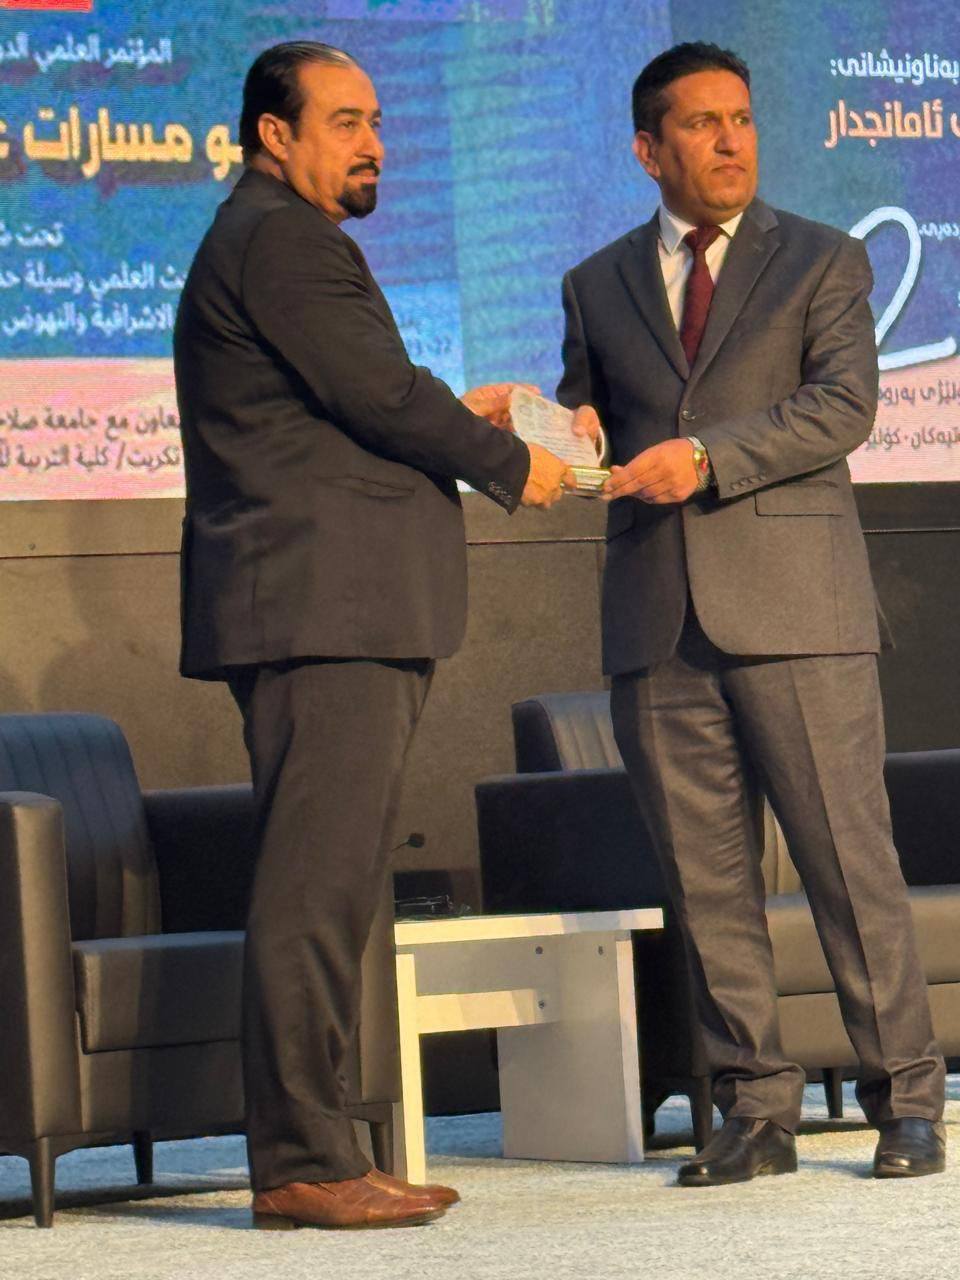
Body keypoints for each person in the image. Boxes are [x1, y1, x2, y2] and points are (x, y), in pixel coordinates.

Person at [174, 40, 571, 1230]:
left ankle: (325, 1145)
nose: (375, 145)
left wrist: (460, 409)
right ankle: (301, 1158)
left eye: (379, 121)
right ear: (274, 134)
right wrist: (513, 461)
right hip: (322, 608)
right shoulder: (284, 239)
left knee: (336, 886)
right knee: (314, 888)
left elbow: (351, 401)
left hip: (332, 606)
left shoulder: (277, 240)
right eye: (345, 121)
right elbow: (379, 397)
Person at [558, 41, 946, 1186]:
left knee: (849, 865)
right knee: (707, 881)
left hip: (799, 610)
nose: (731, 141)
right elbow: (588, 407)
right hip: (655, 617)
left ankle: (905, 1098)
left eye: (742, 119)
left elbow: (843, 405)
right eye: (702, 123)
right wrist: (569, 428)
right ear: (648, 149)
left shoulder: (820, 257)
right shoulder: (595, 281)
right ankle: (754, 1110)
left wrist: (705, 458)